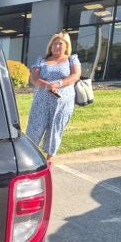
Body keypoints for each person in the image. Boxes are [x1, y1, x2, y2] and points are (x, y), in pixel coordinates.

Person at [26, 32, 81, 164]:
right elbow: (34, 78)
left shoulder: (71, 59)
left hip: (62, 104)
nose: (57, 46)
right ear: (50, 46)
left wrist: (58, 84)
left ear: (66, 46)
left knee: (55, 130)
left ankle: (49, 162)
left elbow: (75, 75)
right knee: (34, 129)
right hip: (41, 102)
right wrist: (47, 85)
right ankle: (30, 159)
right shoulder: (42, 60)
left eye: (60, 44)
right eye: (54, 44)